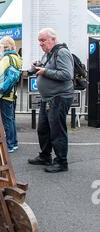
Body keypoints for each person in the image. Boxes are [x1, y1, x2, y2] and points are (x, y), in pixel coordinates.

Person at [28, 28, 74, 172]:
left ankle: (61, 162)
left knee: (57, 131)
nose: (40, 43)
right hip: (48, 98)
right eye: (39, 40)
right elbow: (49, 69)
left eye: (43, 40)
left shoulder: (62, 52)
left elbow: (67, 74)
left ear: (53, 39)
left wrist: (45, 71)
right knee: (43, 128)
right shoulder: (48, 53)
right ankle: (45, 156)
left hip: (59, 97)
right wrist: (38, 67)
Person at [0, 36, 22, 153]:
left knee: (7, 120)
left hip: (5, 93)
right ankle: (14, 142)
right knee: (11, 119)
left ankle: (9, 144)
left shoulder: (6, 59)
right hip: (13, 92)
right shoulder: (17, 57)